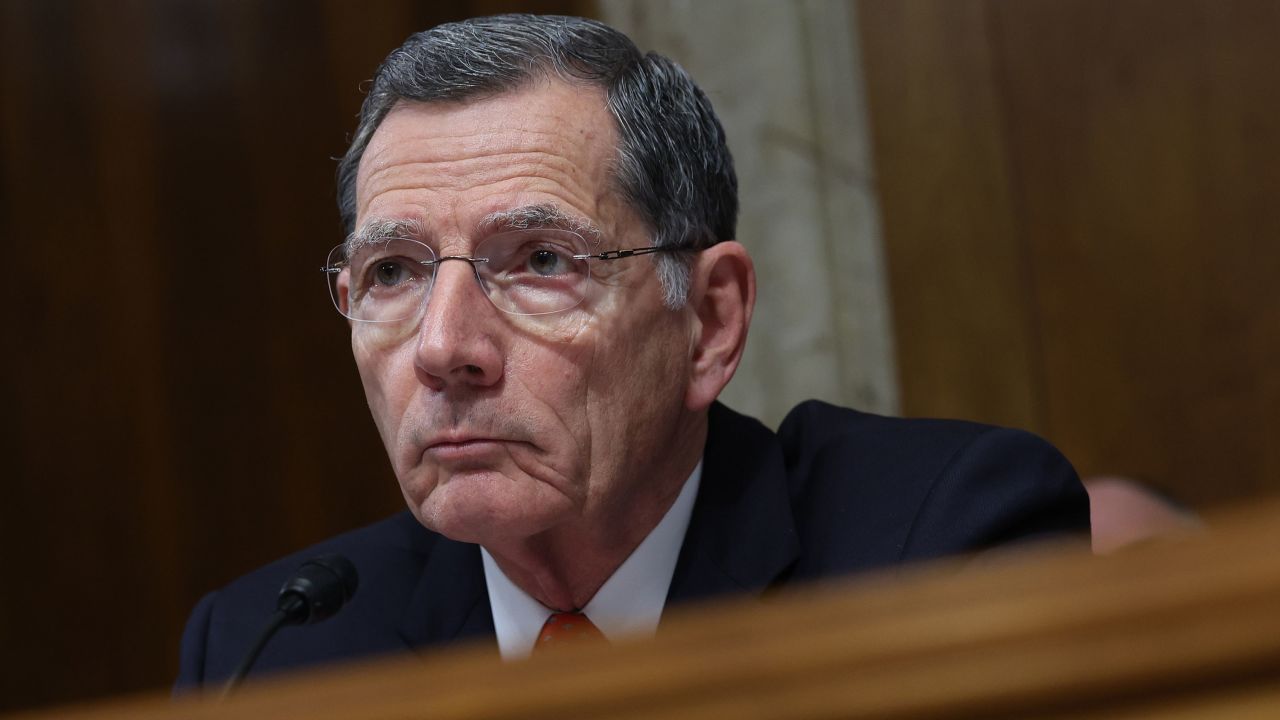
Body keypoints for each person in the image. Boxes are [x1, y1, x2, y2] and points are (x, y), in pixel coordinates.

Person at [177, 14, 1088, 687]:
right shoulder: (273, 655)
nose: (444, 347)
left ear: (711, 321)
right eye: (392, 273)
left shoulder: (936, 551)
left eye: (539, 261)